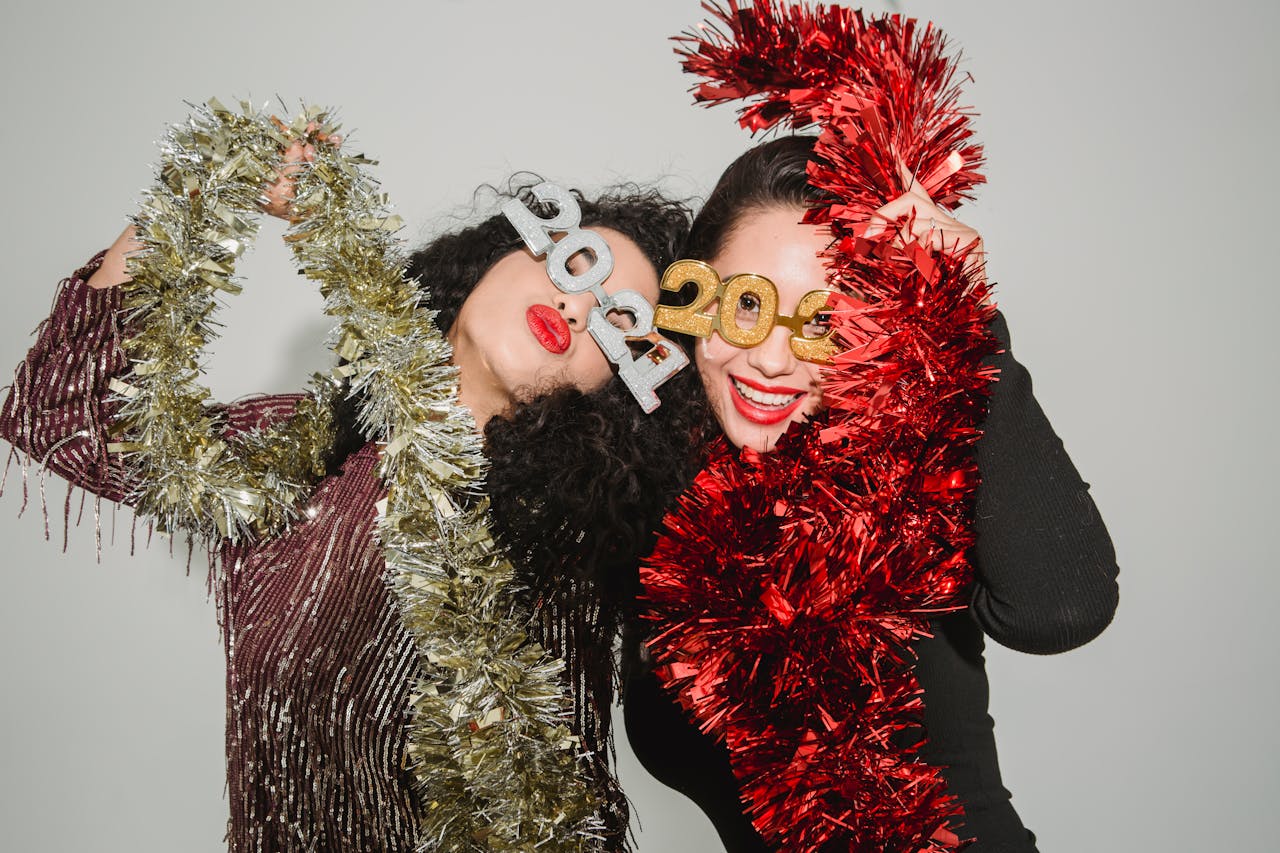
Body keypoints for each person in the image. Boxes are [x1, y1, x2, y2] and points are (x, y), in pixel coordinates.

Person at [0, 125, 707, 850]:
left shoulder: (575, 539)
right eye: (574, 261)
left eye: (621, 322)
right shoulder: (295, 462)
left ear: (617, 389)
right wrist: (198, 194)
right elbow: (57, 412)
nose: (579, 308)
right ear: (500, 249)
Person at [625, 134, 1119, 852]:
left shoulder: (904, 474)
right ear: (692, 298)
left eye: (825, 323)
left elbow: (1063, 606)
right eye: (745, 306)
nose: (770, 358)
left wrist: (965, 329)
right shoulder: (655, 499)